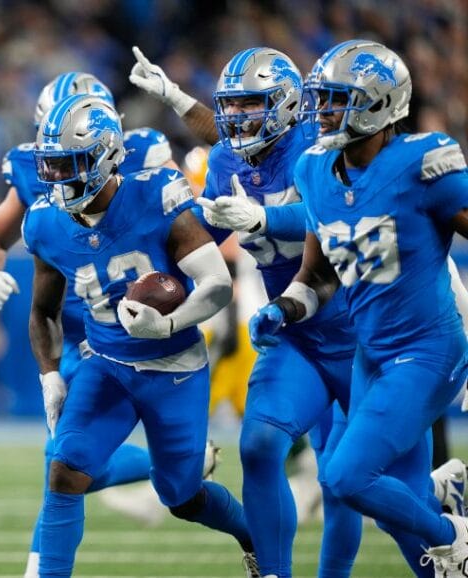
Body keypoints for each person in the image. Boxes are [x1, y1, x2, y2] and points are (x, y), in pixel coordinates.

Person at [132, 46, 363, 578]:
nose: (236, 120)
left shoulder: (319, 143)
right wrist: (152, 266)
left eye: (249, 106)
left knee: (350, 476)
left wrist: (261, 219)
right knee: (258, 447)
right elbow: (202, 239)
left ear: (284, 106)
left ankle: (444, 525)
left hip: (357, 326)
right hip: (293, 329)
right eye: (231, 107)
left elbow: (329, 216)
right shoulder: (227, 160)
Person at [248, 39, 468, 576]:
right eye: (320, 99)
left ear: (378, 103)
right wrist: (285, 308)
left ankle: (456, 535)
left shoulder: (423, 163)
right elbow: (318, 275)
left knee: (345, 477)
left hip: (428, 349)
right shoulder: (316, 173)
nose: (321, 112)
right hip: (371, 354)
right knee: (393, 507)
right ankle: (447, 497)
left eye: (335, 99)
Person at [25, 93, 255, 577]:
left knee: (181, 495)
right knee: (65, 471)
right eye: (52, 166)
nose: (59, 180)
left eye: (73, 164)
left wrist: (169, 322)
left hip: (175, 368)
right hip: (106, 364)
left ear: (107, 157)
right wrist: (49, 374)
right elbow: (44, 311)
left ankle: (252, 533)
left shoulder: (157, 194)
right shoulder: (46, 223)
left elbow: (217, 284)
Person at [0, 71, 188, 577]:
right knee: (64, 463)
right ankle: (177, 461)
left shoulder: (145, 155)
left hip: (136, 327)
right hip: (71, 332)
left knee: (64, 463)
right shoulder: (31, 165)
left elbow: (185, 233)